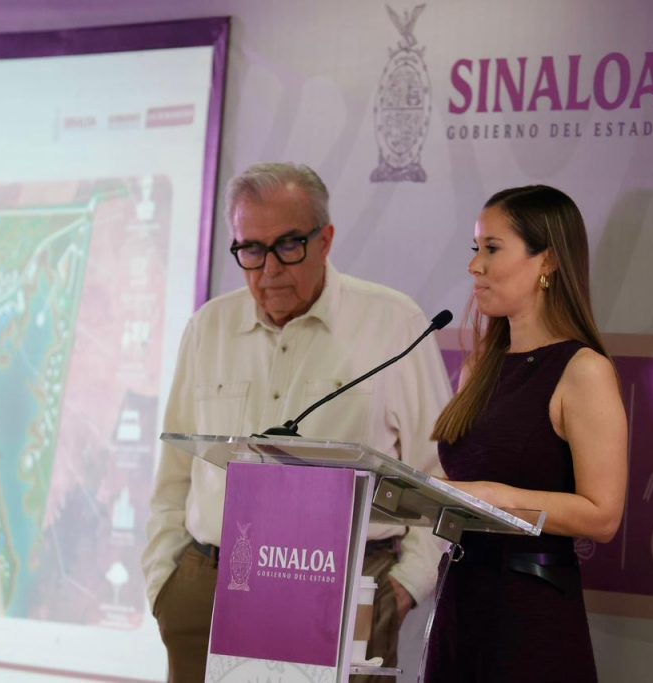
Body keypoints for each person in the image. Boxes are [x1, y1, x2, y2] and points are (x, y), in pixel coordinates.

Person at [142, 162, 453, 682]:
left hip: (340, 591)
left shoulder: (393, 323)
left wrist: (405, 586)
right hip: (209, 585)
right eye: (250, 249)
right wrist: (164, 584)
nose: (269, 269)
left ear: (325, 240)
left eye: (288, 245)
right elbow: (175, 473)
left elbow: (438, 471)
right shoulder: (208, 327)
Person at [424, 185, 628, 682]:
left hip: (531, 615)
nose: (475, 266)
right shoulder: (480, 367)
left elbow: (603, 515)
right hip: (460, 602)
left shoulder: (583, 370)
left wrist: (496, 497)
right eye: (476, 248)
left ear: (548, 262)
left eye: (492, 249)